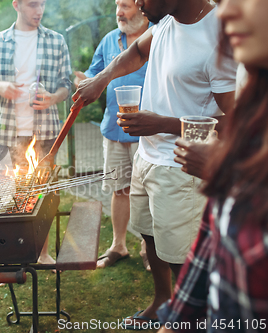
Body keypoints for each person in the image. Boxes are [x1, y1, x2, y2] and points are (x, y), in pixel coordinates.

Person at [72, 0, 237, 328]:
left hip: (181, 167)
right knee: (149, 235)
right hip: (147, 158)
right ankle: (163, 299)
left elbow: (234, 122)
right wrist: (101, 79)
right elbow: (135, 53)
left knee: (180, 255)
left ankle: (188, 318)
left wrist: (161, 124)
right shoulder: (166, 21)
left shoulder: (218, 35)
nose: (139, 2)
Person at [157, 0, 268, 331]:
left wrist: (224, 171)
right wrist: (173, 323)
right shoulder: (254, 117)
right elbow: (209, 246)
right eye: (222, 1)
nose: (224, 12)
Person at [0, 0, 72, 266]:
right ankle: (10, 256)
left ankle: (42, 253)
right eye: (32, 4)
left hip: (45, 133)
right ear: (16, 4)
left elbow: (67, 84)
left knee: (44, 193)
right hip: (8, 134)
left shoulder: (57, 41)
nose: (39, 10)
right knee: (7, 195)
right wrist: (0, 87)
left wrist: (53, 98)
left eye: (42, 4)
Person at [73, 0, 151, 270]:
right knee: (120, 190)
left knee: (148, 192)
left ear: (142, 7)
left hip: (148, 134)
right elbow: (94, 74)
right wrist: (81, 80)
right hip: (114, 130)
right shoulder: (109, 40)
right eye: (118, 5)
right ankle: (119, 244)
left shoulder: (158, 35)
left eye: (126, 5)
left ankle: (147, 246)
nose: (119, 11)